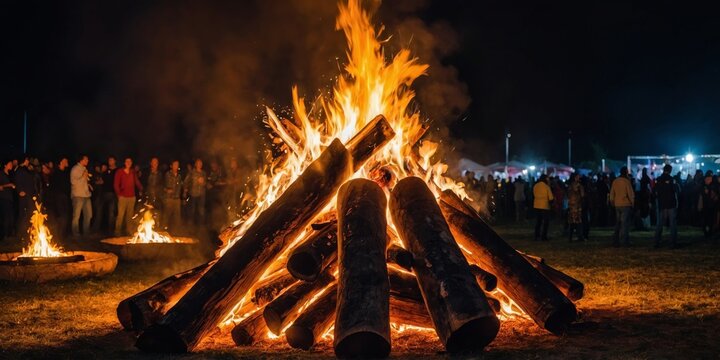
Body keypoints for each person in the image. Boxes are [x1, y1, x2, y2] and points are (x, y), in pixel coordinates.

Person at [114, 157, 143, 235]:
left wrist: (141, 189)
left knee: (129, 216)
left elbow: (136, 182)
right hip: (123, 197)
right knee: (120, 215)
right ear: (124, 162)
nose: (128, 163)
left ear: (131, 163)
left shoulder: (133, 172)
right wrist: (118, 195)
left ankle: (128, 231)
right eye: (127, 161)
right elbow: (116, 184)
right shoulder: (119, 172)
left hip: (132, 197)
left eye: (130, 161)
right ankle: (117, 231)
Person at [654, 164, 679, 248]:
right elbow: (676, 190)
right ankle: (673, 242)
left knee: (659, 223)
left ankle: (656, 242)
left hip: (661, 204)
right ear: (670, 170)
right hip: (671, 204)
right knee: (672, 224)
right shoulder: (672, 180)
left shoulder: (658, 180)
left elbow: (655, 191)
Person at [14, 157, 40, 239]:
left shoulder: (27, 169)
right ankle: (20, 234)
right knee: (23, 215)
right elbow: (17, 180)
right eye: (28, 160)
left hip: (29, 195)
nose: (28, 161)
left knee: (30, 214)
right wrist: (20, 190)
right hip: (24, 195)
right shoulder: (20, 169)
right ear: (25, 160)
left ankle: (28, 232)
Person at [610, 166, 635, 247]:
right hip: (625, 204)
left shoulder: (615, 181)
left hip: (617, 204)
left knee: (618, 223)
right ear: (626, 172)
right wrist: (632, 203)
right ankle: (623, 241)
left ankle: (615, 240)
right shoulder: (626, 181)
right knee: (624, 224)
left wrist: (612, 201)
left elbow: (612, 193)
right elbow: (630, 194)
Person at [70, 155, 93, 237]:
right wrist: (83, 176)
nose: (87, 161)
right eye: (86, 159)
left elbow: (85, 181)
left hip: (86, 195)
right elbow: (73, 182)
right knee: (76, 216)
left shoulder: (85, 169)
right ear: (81, 160)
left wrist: (89, 185)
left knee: (89, 215)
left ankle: (86, 232)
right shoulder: (75, 169)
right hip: (78, 195)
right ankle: (75, 233)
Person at [94, 156, 118, 234]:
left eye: (111, 160)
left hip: (112, 194)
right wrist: (95, 182)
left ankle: (111, 231)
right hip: (103, 194)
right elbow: (102, 181)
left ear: (115, 161)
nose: (110, 161)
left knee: (111, 213)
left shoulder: (118, 171)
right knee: (99, 212)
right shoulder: (106, 171)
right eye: (109, 160)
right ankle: (96, 229)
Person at [48, 157, 71, 236]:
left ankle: (62, 233)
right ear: (61, 162)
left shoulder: (66, 172)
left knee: (65, 215)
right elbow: (53, 186)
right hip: (58, 197)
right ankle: (59, 234)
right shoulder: (56, 173)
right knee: (62, 215)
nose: (67, 161)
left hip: (65, 196)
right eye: (65, 160)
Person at [184, 159, 207, 227]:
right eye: (198, 163)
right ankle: (190, 224)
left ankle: (200, 225)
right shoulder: (192, 172)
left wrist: (203, 182)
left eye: (201, 163)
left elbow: (206, 183)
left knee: (201, 210)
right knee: (192, 209)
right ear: (195, 164)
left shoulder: (203, 173)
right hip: (193, 193)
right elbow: (186, 182)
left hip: (201, 194)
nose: (199, 165)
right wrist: (185, 191)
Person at [162, 160, 183, 232]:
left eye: (177, 165)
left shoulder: (179, 176)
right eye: (174, 165)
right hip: (169, 199)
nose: (176, 166)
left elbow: (180, 186)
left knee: (177, 217)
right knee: (166, 216)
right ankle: (163, 231)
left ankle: (176, 231)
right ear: (171, 166)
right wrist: (167, 190)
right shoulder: (167, 174)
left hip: (177, 199)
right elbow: (163, 185)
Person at [533, 174, 554, 241]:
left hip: (536, 205)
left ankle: (536, 235)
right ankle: (543, 236)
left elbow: (533, 194)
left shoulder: (536, 185)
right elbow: (551, 197)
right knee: (545, 222)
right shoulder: (546, 186)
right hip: (545, 206)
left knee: (538, 221)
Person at [567, 173, 585, 241]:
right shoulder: (579, 186)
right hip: (577, 205)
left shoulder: (570, 186)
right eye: (578, 177)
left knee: (571, 222)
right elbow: (582, 195)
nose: (579, 178)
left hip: (571, 205)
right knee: (578, 221)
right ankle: (580, 236)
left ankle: (570, 237)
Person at [0, 160, 15, 241]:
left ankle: (10, 234)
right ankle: (5, 235)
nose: (11, 165)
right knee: (6, 217)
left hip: (10, 198)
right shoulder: (1, 174)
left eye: (11, 164)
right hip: (4, 198)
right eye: (9, 164)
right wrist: (8, 185)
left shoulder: (10, 174)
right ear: (5, 165)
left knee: (11, 216)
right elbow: (0, 187)